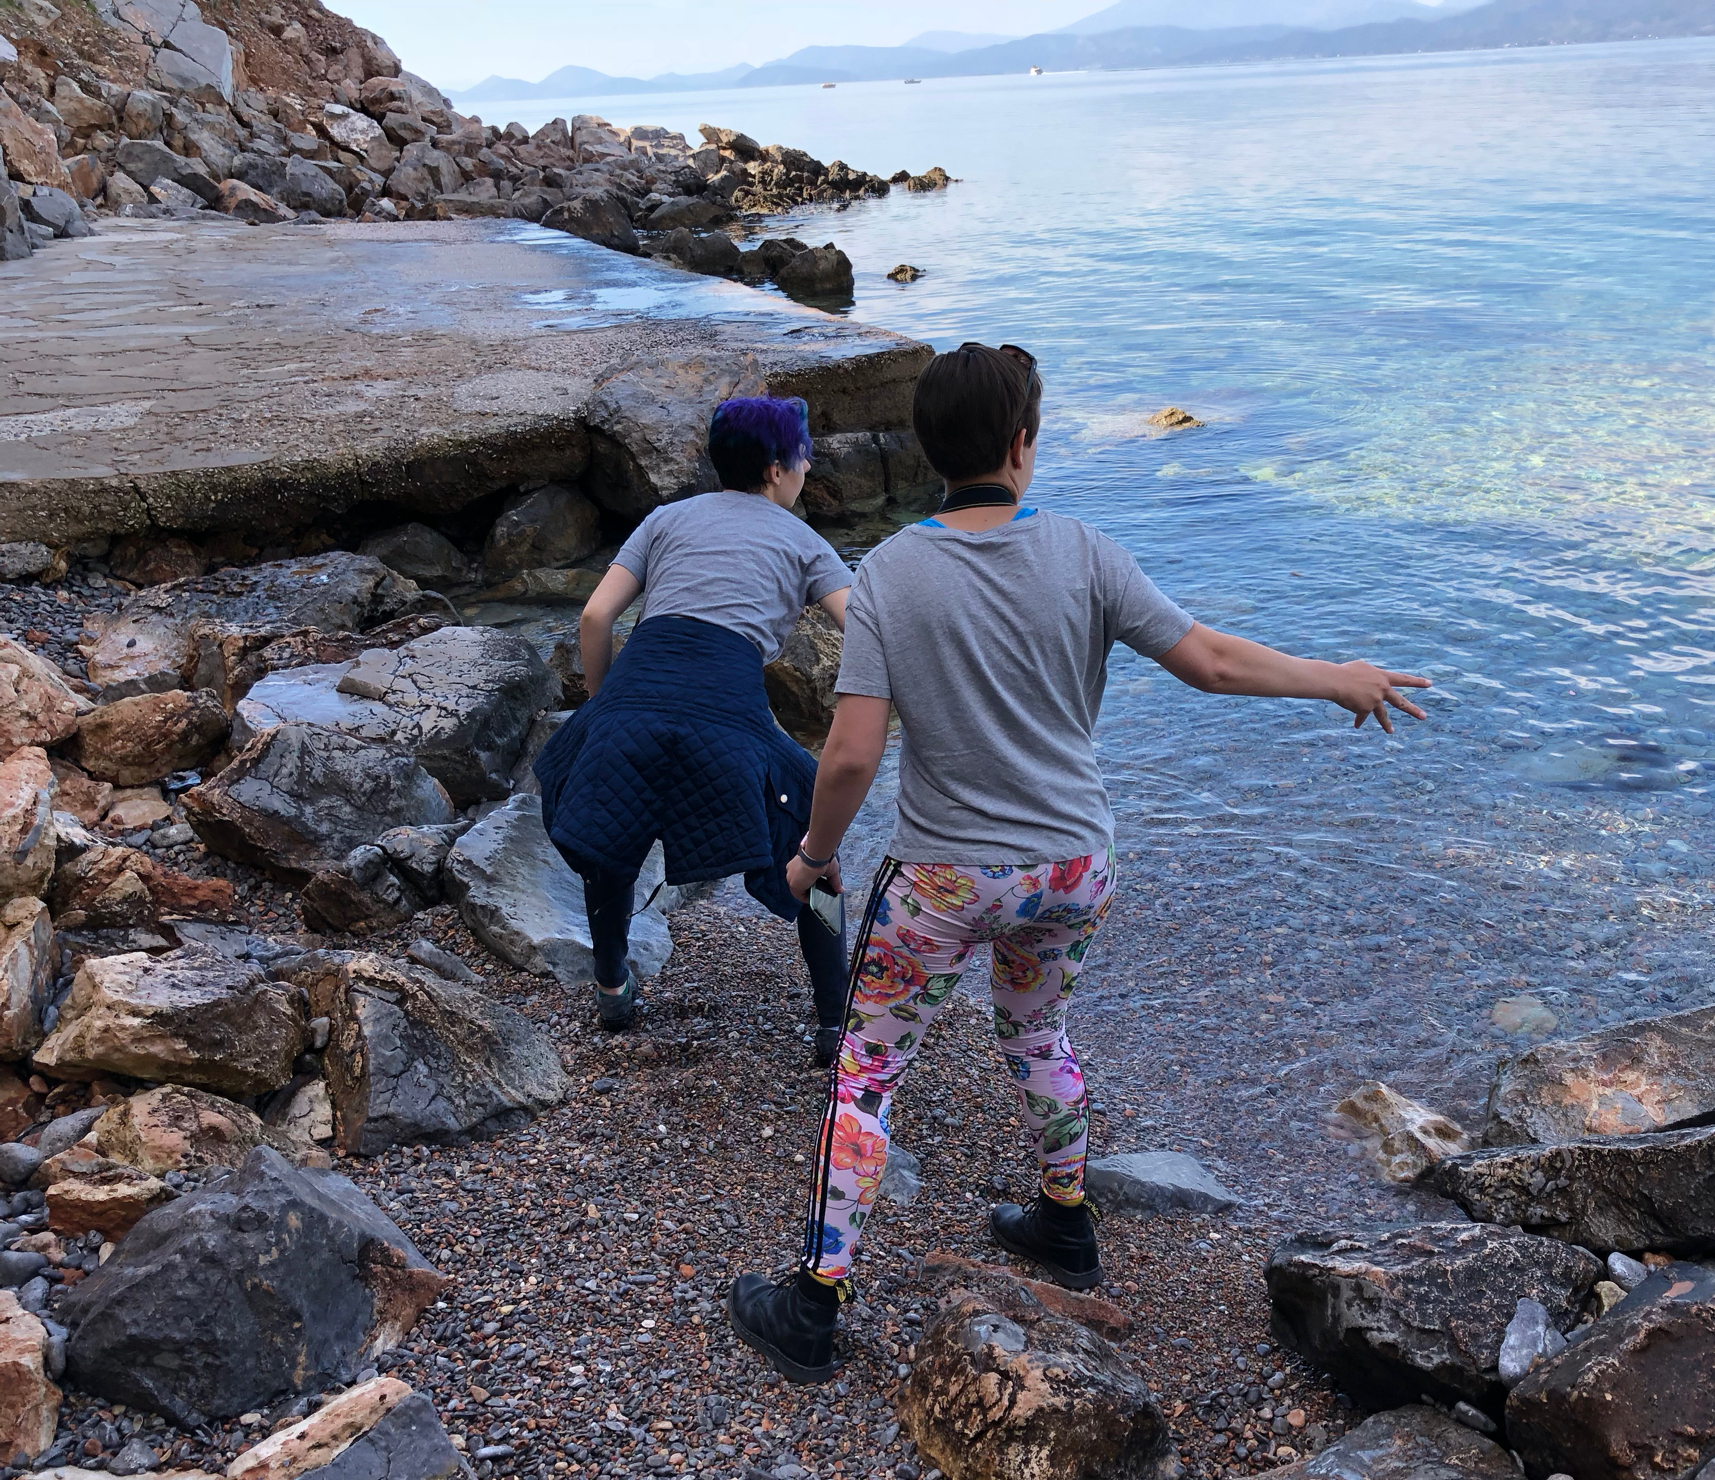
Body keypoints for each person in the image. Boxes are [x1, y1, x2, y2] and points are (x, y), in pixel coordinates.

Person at [726, 343, 1431, 1384]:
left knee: (867, 1072)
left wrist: (810, 860)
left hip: (944, 879)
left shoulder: (888, 574)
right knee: (1037, 1028)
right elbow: (1209, 662)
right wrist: (1336, 679)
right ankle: (1064, 1219)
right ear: (1022, 443)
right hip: (1071, 868)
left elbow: (851, 753)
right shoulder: (1086, 551)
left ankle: (814, 1302)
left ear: (930, 449)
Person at [534, 396, 852, 1053]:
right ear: (774, 470)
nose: (808, 465)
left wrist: (603, 707)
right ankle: (832, 1021)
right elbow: (871, 631)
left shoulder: (666, 519)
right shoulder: (804, 542)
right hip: (725, 709)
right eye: (802, 456)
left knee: (611, 830)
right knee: (817, 846)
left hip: (634, 691)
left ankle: (613, 987)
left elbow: (595, 619)